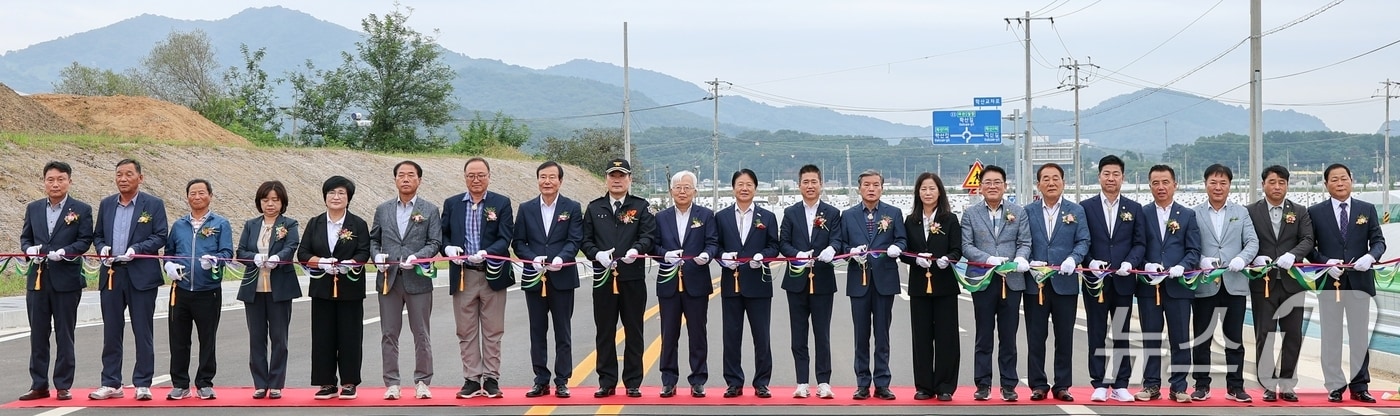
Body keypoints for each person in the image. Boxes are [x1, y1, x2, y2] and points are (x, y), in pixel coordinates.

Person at [91, 159, 168, 401]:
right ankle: (111, 382)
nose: (123, 179)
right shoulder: (107, 204)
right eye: (119, 174)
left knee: (142, 330)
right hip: (113, 274)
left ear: (140, 178)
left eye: (128, 174)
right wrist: (102, 248)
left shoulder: (153, 205)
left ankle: (143, 383)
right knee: (112, 330)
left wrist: (137, 249)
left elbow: (161, 235)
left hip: (141, 275)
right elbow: (98, 235)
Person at [1308, 163, 1385, 403]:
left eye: (1344, 178)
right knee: (1331, 336)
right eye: (1334, 179)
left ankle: (1360, 386)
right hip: (1331, 283)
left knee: (1359, 335)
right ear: (1326, 184)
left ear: (1351, 180)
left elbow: (1379, 242)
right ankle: (1334, 385)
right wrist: (1324, 262)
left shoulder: (1367, 209)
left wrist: (1370, 257)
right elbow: (1309, 247)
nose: (1340, 183)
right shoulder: (1315, 212)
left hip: (1360, 282)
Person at [581, 158, 657, 398]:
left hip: (632, 278)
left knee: (634, 330)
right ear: (606, 178)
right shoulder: (594, 208)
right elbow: (585, 240)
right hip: (603, 278)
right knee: (604, 331)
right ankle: (607, 381)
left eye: (621, 175)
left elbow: (649, 236)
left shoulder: (641, 207)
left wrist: (638, 249)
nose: (617, 179)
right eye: (613, 175)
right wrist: (596, 254)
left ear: (629, 179)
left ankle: (633, 381)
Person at [19, 161, 93, 402]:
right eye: (50, 179)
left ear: (69, 181)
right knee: (38, 334)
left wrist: (65, 252)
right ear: (44, 182)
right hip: (38, 280)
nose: (55, 184)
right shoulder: (33, 208)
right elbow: (25, 237)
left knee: (64, 333)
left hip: (66, 280)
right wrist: (29, 250)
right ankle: (38, 384)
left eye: (60, 179)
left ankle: (63, 384)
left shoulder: (81, 209)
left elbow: (84, 241)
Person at [441, 157, 514, 399]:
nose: (476, 179)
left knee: (493, 330)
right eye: (471, 175)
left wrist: (489, 252)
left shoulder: (501, 203)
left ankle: (491, 378)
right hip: (463, 275)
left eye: (481, 175)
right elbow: (444, 236)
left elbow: (506, 238)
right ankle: (472, 378)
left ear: (489, 176)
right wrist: (449, 249)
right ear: (464, 177)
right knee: (466, 330)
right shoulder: (452, 204)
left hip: (492, 272)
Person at [370, 160, 443, 400]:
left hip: (417, 279)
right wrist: (376, 255)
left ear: (419, 180)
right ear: (395, 180)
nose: (405, 179)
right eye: (401, 175)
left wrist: (418, 256)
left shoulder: (430, 210)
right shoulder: (383, 209)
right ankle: (392, 382)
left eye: (411, 175)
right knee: (389, 333)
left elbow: (435, 243)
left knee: (421, 333)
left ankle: (422, 381)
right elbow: (374, 239)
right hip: (389, 279)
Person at [513, 161, 585, 399]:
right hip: (534, 278)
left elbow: (574, 240)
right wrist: (532, 259)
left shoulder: (572, 207)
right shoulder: (526, 208)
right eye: (543, 177)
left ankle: (562, 380)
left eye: (552, 177)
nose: (547, 181)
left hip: (562, 277)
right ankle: (541, 380)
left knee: (562, 331)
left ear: (560, 181)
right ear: (537, 180)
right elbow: (518, 242)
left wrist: (560, 259)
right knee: (537, 331)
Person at [833, 169, 906, 401]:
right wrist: (850, 252)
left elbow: (902, 239)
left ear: (882, 188)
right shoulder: (848, 215)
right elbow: (842, 245)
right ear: (859, 188)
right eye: (867, 185)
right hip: (859, 280)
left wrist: (897, 248)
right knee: (861, 335)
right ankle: (862, 383)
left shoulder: (893, 213)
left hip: (885, 280)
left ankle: (882, 383)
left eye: (876, 184)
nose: (871, 188)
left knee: (882, 334)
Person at [960, 165, 1030, 401]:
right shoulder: (970, 214)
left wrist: (1020, 258)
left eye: (997, 182)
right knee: (983, 334)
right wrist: (988, 259)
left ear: (1005, 186)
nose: (992, 186)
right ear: (980, 187)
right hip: (983, 279)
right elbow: (966, 246)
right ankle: (982, 383)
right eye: (988, 182)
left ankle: (1009, 384)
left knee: (1009, 336)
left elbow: (1025, 242)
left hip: (1012, 281)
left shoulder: (1018, 212)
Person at [1079, 155, 1146, 403]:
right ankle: (1098, 382)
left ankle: (1120, 384)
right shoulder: (1085, 208)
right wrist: (1090, 262)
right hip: (1095, 282)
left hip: (1123, 280)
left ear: (1123, 177)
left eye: (1116, 174)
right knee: (1096, 332)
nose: (1111, 178)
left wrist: (1130, 262)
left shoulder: (1134, 208)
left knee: (1121, 332)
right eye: (1106, 173)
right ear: (1099, 177)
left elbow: (1140, 242)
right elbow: (1082, 241)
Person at [1189, 164, 1259, 403]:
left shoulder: (1241, 212)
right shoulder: (1194, 213)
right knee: (1202, 338)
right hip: (1205, 284)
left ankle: (1236, 386)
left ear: (1230, 185)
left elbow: (1252, 242)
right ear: (1205, 184)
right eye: (1213, 182)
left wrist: (1242, 258)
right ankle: (1201, 384)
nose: (1218, 187)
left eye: (1223, 183)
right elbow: (1190, 245)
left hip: (1234, 283)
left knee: (1234, 338)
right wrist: (1201, 260)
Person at [299, 176, 371, 400]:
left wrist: (350, 264)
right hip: (322, 287)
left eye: (341, 193)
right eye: (331, 193)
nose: (336, 197)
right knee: (322, 336)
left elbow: (363, 251)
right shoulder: (315, 222)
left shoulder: (358, 224)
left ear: (348, 198)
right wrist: (320, 262)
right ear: (325, 197)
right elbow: (302, 253)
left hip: (349, 288)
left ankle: (349, 382)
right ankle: (326, 382)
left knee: (350, 336)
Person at [1245, 165, 1313, 402]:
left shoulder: (1300, 211)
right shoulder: (1251, 211)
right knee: (1265, 333)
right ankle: (1267, 383)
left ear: (1287, 185)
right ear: (1263, 184)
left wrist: (1293, 255)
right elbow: (1245, 240)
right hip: (1263, 283)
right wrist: (1254, 258)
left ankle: (1287, 384)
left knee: (1292, 334)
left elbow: (1307, 239)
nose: (1277, 186)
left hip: (1293, 282)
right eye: (1272, 182)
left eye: (1281, 182)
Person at [161, 179, 234, 400]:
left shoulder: (220, 223)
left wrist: (215, 260)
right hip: (180, 290)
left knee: (207, 339)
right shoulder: (179, 225)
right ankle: (180, 384)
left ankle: (204, 383)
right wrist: (169, 265)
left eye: (202, 193)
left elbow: (227, 253)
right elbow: (169, 252)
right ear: (187, 197)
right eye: (192, 193)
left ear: (210, 195)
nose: (197, 197)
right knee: (178, 339)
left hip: (208, 291)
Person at [1023, 163, 1089, 402]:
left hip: (1065, 283)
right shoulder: (1027, 211)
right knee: (1036, 336)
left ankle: (1062, 385)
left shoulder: (1076, 211)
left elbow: (1084, 241)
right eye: (1046, 179)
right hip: (1036, 284)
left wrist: (1073, 258)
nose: (1051, 183)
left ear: (1063, 182)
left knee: (1064, 336)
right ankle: (1038, 384)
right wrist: (1029, 261)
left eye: (1056, 178)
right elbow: (1022, 241)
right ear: (1038, 184)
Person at [1136, 164, 1200, 403]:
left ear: (1175, 184)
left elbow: (1194, 249)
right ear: (1150, 186)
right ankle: (1151, 385)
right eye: (1155, 183)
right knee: (1151, 337)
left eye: (1165, 182)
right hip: (1149, 287)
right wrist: (1146, 265)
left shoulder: (1187, 215)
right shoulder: (1141, 214)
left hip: (1178, 287)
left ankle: (1179, 386)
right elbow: (1135, 247)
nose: (1161, 187)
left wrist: (1182, 266)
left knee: (1180, 338)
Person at [778, 165, 840, 400]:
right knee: (798, 333)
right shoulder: (791, 212)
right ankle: (801, 381)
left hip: (823, 280)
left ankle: (824, 382)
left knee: (822, 333)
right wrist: (797, 255)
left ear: (821, 184)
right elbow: (783, 243)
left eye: (814, 181)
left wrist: (832, 249)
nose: (810, 186)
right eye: (806, 181)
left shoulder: (832, 213)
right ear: (799, 185)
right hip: (796, 280)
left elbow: (838, 240)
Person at [715, 169, 779, 399]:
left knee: (761, 336)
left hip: (759, 283)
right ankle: (733, 382)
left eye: (749, 184)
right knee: (731, 335)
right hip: (731, 283)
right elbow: (716, 245)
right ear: (733, 188)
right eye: (740, 184)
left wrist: (763, 256)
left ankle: (762, 382)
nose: (744, 188)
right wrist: (723, 258)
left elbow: (774, 246)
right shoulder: (720, 217)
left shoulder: (767, 217)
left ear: (755, 188)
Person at [652, 170, 717, 398]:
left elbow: (712, 243)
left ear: (695, 191)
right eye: (678, 187)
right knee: (668, 334)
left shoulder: (706, 215)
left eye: (687, 187)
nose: (682, 191)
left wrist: (707, 256)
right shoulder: (660, 217)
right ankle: (668, 380)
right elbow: (653, 246)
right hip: (669, 283)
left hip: (696, 282)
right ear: (671, 191)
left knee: (697, 333)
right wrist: (665, 255)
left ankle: (698, 379)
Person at [236, 181, 302, 400]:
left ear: (282, 202)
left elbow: (291, 247)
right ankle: (259, 383)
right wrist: (253, 257)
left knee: (279, 338)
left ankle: (275, 383)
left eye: (275, 200)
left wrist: (277, 258)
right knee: (256, 337)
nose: (270, 204)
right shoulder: (251, 225)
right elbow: (241, 251)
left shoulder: (289, 224)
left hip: (279, 288)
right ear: (259, 202)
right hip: (253, 289)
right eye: (266, 200)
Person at [899, 172, 961, 402]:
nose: (927, 193)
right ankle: (924, 386)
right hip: (918, 287)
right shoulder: (910, 220)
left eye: (932, 188)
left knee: (946, 337)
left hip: (944, 285)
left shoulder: (950, 219)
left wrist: (948, 258)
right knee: (921, 337)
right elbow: (904, 252)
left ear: (939, 192)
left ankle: (945, 385)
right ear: (918, 192)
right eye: (923, 188)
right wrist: (915, 258)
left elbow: (957, 249)